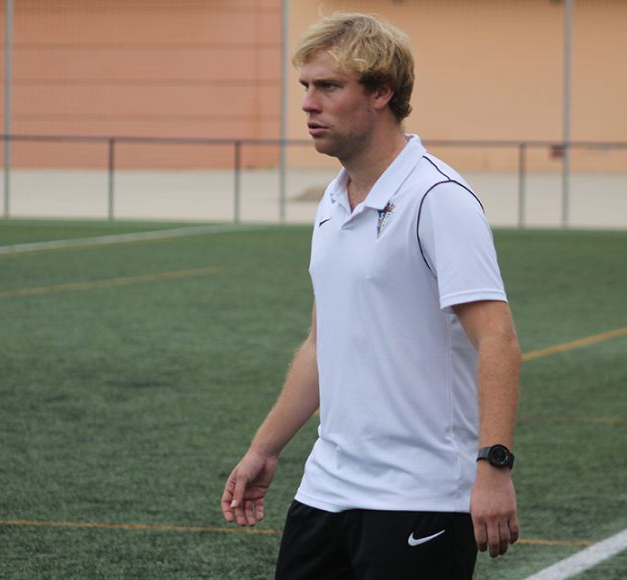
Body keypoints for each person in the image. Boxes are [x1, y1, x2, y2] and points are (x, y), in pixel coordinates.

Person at [221, 13, 521, 579]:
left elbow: (498, 340)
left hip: (421, 497)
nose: (309, 103)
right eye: (305, 86)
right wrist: (265, 448)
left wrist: (494, 468)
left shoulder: (439, 198)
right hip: (326, 489)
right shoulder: (333, 201)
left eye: (329, 86)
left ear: (382, 92)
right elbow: (320, 344)